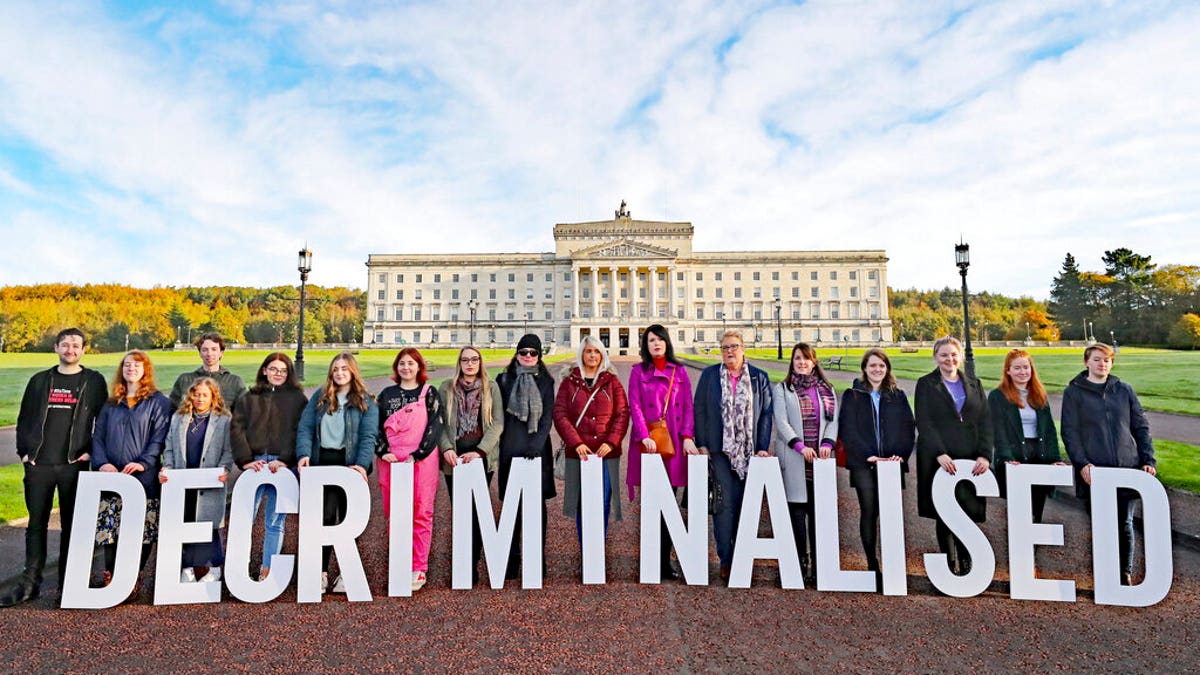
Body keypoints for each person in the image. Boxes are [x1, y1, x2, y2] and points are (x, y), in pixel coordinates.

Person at [2, 328, 107, 607]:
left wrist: (90, 452)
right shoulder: (40, 381)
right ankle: (29, 584)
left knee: (72, 526)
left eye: (75, 345)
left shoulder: (94, 381)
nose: (70, 350)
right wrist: (25, 454)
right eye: (65, 345)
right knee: (36, 525)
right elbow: (24, 419)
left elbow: (104, 420)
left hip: (74, 465)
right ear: (56, 348)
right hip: (39, 465)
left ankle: (68, 583)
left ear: (84, 349)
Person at [1060, 342, 1156, 585]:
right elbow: (1070, 433)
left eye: (1106, 360)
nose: (1102, 364)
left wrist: (1147, 460)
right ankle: (1105, 574)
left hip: (1127, 468)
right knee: (1102, 524)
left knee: (1125, 523)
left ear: (1111, 363)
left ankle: (1124, 572)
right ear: (1086, 362)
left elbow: (1141, 428)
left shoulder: (1124, 390)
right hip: (1095, 471)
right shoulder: (1074, 392)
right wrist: (1082, 464)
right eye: (1096, 359)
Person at [92, 350, 173, 600]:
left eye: (137, 365)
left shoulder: (158, 402)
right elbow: (98, 437)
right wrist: (102, 463)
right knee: (110, 526)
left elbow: (159, 437)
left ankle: (133, 575)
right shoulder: (110, 403)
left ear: (145, 370)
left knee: (144, 529)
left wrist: (144, 463)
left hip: (142, 477)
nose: (131, 369)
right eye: (127, 365)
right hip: (112, 476)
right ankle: (111, 574)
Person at [694, 330, 773, 582]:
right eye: (726, 347)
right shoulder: (709, 376)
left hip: (749, 452)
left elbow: (766, 415)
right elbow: (700, 410)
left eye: (735, 346)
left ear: (743, 349)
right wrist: (703, 443)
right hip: (719, 451)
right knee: (724, 506)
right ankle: (726, 558)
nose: (730, 351)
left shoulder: (760, 378)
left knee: (746, 506)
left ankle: (742, 555)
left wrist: (762, 446)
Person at [296, 352, 379, 593]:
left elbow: (368, 436)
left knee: (347, 520)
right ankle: (320, 572)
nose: (339, 372)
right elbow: (305, 428)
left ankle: (346, 572)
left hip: (349, 465)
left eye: (344, 368)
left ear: (353, 371)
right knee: (323, 519)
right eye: (335, 369)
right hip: (323, 462)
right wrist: (303, 453)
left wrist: (362, 465)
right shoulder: (320, 397)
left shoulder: (366, 401)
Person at [915, 336, 993, 576]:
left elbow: (985, 421)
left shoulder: (974, 383)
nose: (949, 359)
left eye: (953, 354)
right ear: (936, 357)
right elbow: (924, 421)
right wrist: (940, 453)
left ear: (959, 356)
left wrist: (985, 455)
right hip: (940, 457)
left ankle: (968, 562)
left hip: (970, 457)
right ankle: (950, 564)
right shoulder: (926, 384)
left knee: (967, 511)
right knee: (945, 512)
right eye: (944, 355)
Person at [626, 324, 697, 581]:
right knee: (653, 505)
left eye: (659, 339)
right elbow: (634, 405)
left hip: (674, 445)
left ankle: (665, 560)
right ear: (645, 345)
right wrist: (644, 435)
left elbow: (688, 407)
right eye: (651, 340)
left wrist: (688, 437)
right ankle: (652, 560)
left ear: (667, 342)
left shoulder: (680, 372)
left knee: (669, 505)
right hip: (649, 445)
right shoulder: (637, 372)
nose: (655, 344)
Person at [838, 348, 914, 587]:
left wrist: (899, 455)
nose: (877, 370)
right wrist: (867, 455)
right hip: (864, 464)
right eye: (872, 366)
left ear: (887, 369)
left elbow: (908, 429)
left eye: (881, 366)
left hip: (892, 463)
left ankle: (892, 563)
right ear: (864, 368)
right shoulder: (853, 395)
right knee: (869, 512)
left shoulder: (898, 395)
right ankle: (872, 564)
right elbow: (847, 429)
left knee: (890, 513)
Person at [230, 352, 308, 581]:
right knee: (245, 518)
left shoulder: (297, 399)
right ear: (264, 370)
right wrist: (245, 460)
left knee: (275, 520)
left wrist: (286, 459)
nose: (278, 374)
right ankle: (238, 569)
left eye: (283, 371)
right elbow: (237, 429)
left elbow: (301, 432)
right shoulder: (248, 397)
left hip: (282, 466)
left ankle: (268, 567)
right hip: (255, 463)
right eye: (273, 369)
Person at [553, 335, 630, 550]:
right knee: (581, 501)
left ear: (602, 354)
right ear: (582, 354)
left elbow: (623, 413)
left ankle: (598, 542)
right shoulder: (569, 382)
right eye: (589, 351)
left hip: (606, 453)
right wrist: (576, 442)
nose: (593, 355)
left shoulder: (612, 381)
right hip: (579, 452)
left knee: (603, 499)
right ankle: (585, 545)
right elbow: (560, 414)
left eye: (597, 351)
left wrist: (613, 441)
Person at [376, 347, 443, 591]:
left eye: (411, 364)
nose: (406, 368)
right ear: (397, 367)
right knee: (395, 513)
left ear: (419, 367)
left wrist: (418, 454)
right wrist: (383, 451)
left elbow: (435, 427)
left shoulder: (429, 393)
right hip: (391, 460)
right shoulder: (386, 394)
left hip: (422, 459)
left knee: (422, 512)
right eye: (402, 364)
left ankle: (419, 566)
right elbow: (376, 427)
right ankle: (399, 562)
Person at [772, 342, 839, 585]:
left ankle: (821, 564)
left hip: (820, 460)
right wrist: (799, 446)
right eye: (798, 358)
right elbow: (781, 422)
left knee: (818, 514)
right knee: (797, 513)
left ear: (814, 362)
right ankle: (799, 561)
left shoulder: (826, 389)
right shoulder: (783, 389)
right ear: (792, 361)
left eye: (806, 359)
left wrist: (827, 444)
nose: (802, 362)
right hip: (795, 457)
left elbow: (833, 421)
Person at [439, 346, 504, 586]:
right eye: (465, 360)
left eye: (474, 359)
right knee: (461, 513)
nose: (470, 363)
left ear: (480, 362)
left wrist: (480, 451)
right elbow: (439, 422)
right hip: (453, 459)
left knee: (477, 513)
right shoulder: (446, 387)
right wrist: (446, 448)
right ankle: (461, 563)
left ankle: (472, 564)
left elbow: (497, 423)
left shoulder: (491, 387)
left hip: (480, 459)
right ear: (460, 363)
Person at [159, 377, 234, 583]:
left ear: (213, 397)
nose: (200, 398)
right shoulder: (179, 418)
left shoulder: (224, 419)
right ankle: (188, 566)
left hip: (210, 480)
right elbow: (170, 447)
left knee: (208, 523)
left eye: (205, 395)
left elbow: (228, 450)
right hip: (182, 480)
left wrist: (225, 468)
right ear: (190, 395)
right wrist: (168, 467)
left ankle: (213, 567)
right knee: (186, 520)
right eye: (196, 394)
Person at [496, 334, 556, 580]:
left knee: (536, 508)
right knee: (511, 507)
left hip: (537, 448)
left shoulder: (546, 381)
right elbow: (497, 416)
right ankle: (511, 559)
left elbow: (547, 417)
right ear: (517, 354)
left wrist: (537, 444)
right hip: (511, 445)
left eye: (533, 352)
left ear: (539, 355)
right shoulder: (503, 379)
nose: (528, 356)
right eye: (524, 352)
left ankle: (536, 558)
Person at [988, 349, 1064, 525]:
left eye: (1026, 367)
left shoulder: (1039, 394)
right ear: (1008, 370)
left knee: (1037, 513)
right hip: (1016, 456)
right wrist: (1006, 457)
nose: (1022, 372)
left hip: (1040, 456)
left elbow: (1049, 431)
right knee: (1020, 513)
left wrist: (1055, 459)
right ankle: (1019, 551)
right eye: (1017, 368)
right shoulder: (998, 396)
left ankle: (1033, 552)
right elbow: (998, 431)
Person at [168, 332, 247, 412]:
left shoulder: (234, 382)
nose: (209, 354)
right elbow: (171, 410)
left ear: (221, 353)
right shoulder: (185, 380)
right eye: (205, 350)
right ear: (200, 353)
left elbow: (244, 414)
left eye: (214, 349)